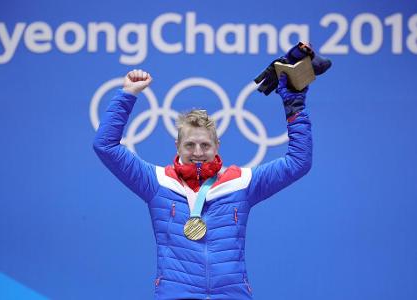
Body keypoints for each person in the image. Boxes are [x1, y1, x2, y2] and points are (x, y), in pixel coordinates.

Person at [93, 68, 312, 299]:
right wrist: (127, 94)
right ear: (177, 146)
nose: (198, 152)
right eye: (190, 145)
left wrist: (295, 107)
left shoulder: (241, 184)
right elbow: (105, 146)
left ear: (217, 145)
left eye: (205, 145)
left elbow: (299, 162)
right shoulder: (157, 182)